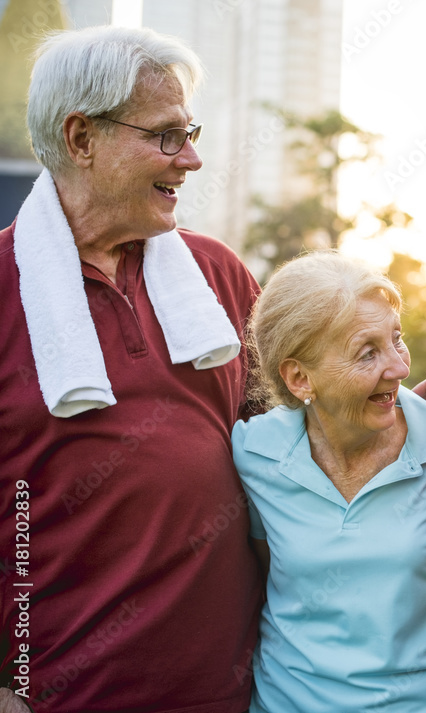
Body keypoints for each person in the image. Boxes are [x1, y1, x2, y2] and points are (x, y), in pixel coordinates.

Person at [0, 27, 261, 712]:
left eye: (191, 132)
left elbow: (306, 440)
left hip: (230, 695)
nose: (193, 159)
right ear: (82, 138)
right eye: (168, 136)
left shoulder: (219, 275)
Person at [232, 250, 426, 712]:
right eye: (368, 353)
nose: (400, 369)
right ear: (300, 378)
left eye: (396, 340)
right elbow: (269, 571)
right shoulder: (254, 453)